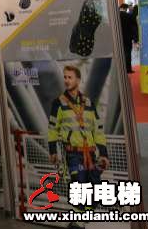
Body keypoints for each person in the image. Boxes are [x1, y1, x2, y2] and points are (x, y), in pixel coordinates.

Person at [48, 65, 109, 226]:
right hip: (73, 154)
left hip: (91, 154)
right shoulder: (58, 103)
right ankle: (77, 223)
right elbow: (52, 129)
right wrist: (53, 151)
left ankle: (82, 221)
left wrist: (104, 154)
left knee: (95, 190)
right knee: (79, 187)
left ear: (78, 80)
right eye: (65, 77)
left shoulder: (88, 103)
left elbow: (98, 130)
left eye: (70, 77)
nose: (66, 80)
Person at [119, 3, 137, 73]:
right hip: (127, 38)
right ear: (126, 8)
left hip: (118, 38)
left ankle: (121, 69)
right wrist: (135, 38)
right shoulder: (129, 16)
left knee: (120, 53)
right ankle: (128, 69)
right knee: (128, 53)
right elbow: (134, 27)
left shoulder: (116, 16)